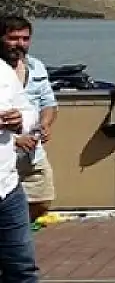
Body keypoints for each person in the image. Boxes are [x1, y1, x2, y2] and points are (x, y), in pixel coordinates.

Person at [0, 16, 58, 221]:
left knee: (42, 200)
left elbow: (48, 103)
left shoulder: (36, 67)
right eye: (13, 38)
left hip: (33, 154)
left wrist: (45, 125)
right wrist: (16, 139)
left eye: (25, 39)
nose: (20, 44)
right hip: (5, 154)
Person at [0, 56, 40, 283]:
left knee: (22, 269)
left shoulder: (3, 70)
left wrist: (20, 120)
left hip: (7, 188)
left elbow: (28, 109)